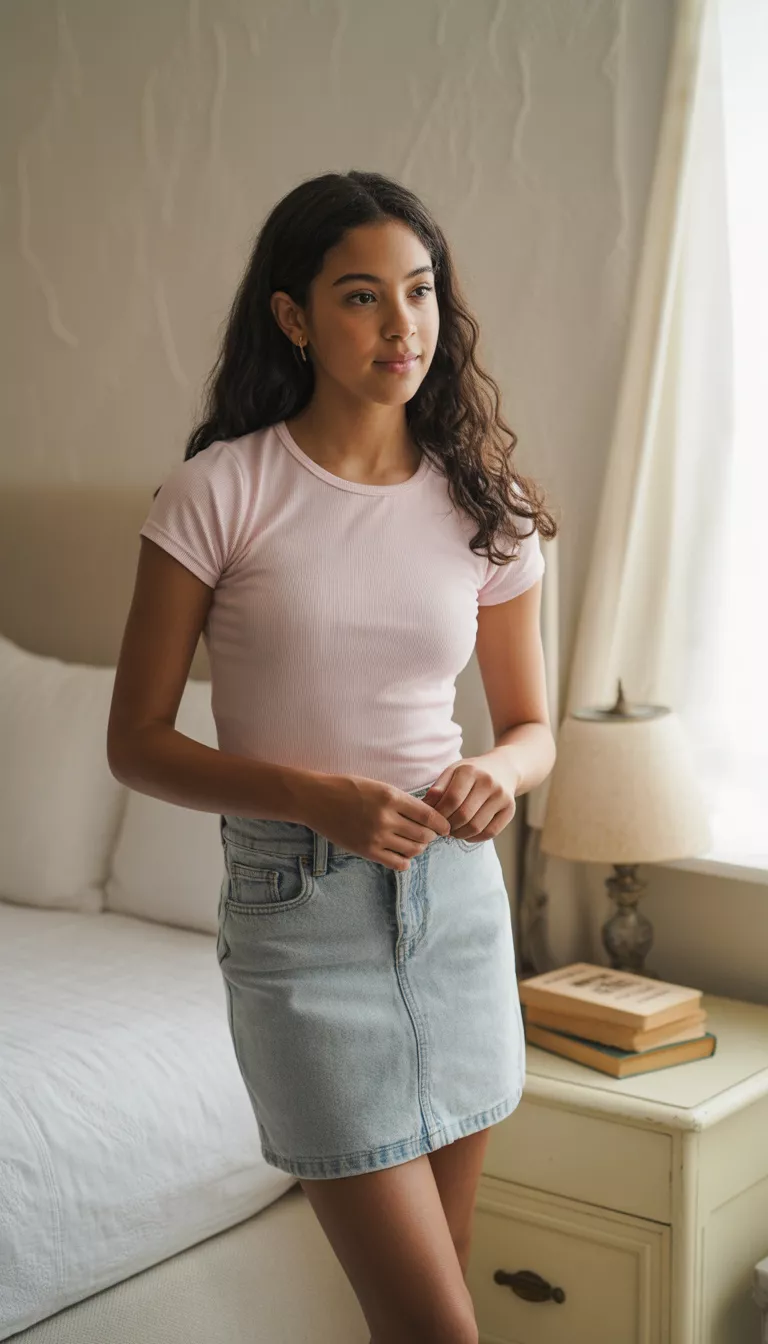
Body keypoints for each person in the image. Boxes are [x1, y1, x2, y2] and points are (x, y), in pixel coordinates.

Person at [107, 169, 558, 1344]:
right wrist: (314, 797)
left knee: (445, 1272)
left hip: (455, 906)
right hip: (298, 914)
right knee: (432, 1321)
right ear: (294, 316)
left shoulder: (486, 506)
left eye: (419, 292)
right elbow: (137, 743)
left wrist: (494, 778)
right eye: (362, 297)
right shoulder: (221, 494)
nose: (402, 326)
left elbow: (533, 729)